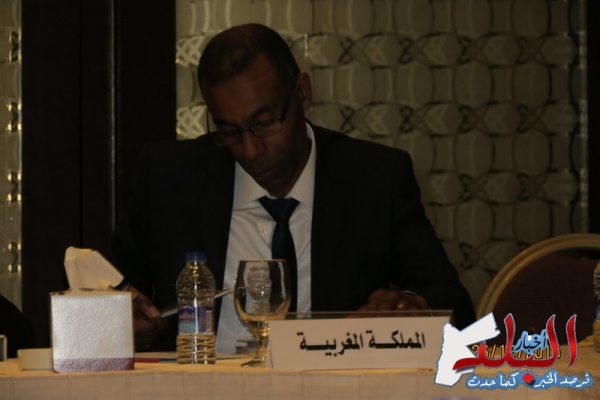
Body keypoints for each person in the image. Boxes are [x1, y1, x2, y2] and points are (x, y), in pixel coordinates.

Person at [110, 23, 475, 352]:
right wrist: (122, 319)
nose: (250, 150)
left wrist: (409, 305)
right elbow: (107, 286)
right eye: (229, 132)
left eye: (264, 123)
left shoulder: (374, 178)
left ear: (302, 93)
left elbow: (452, 301)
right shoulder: (170, 178)